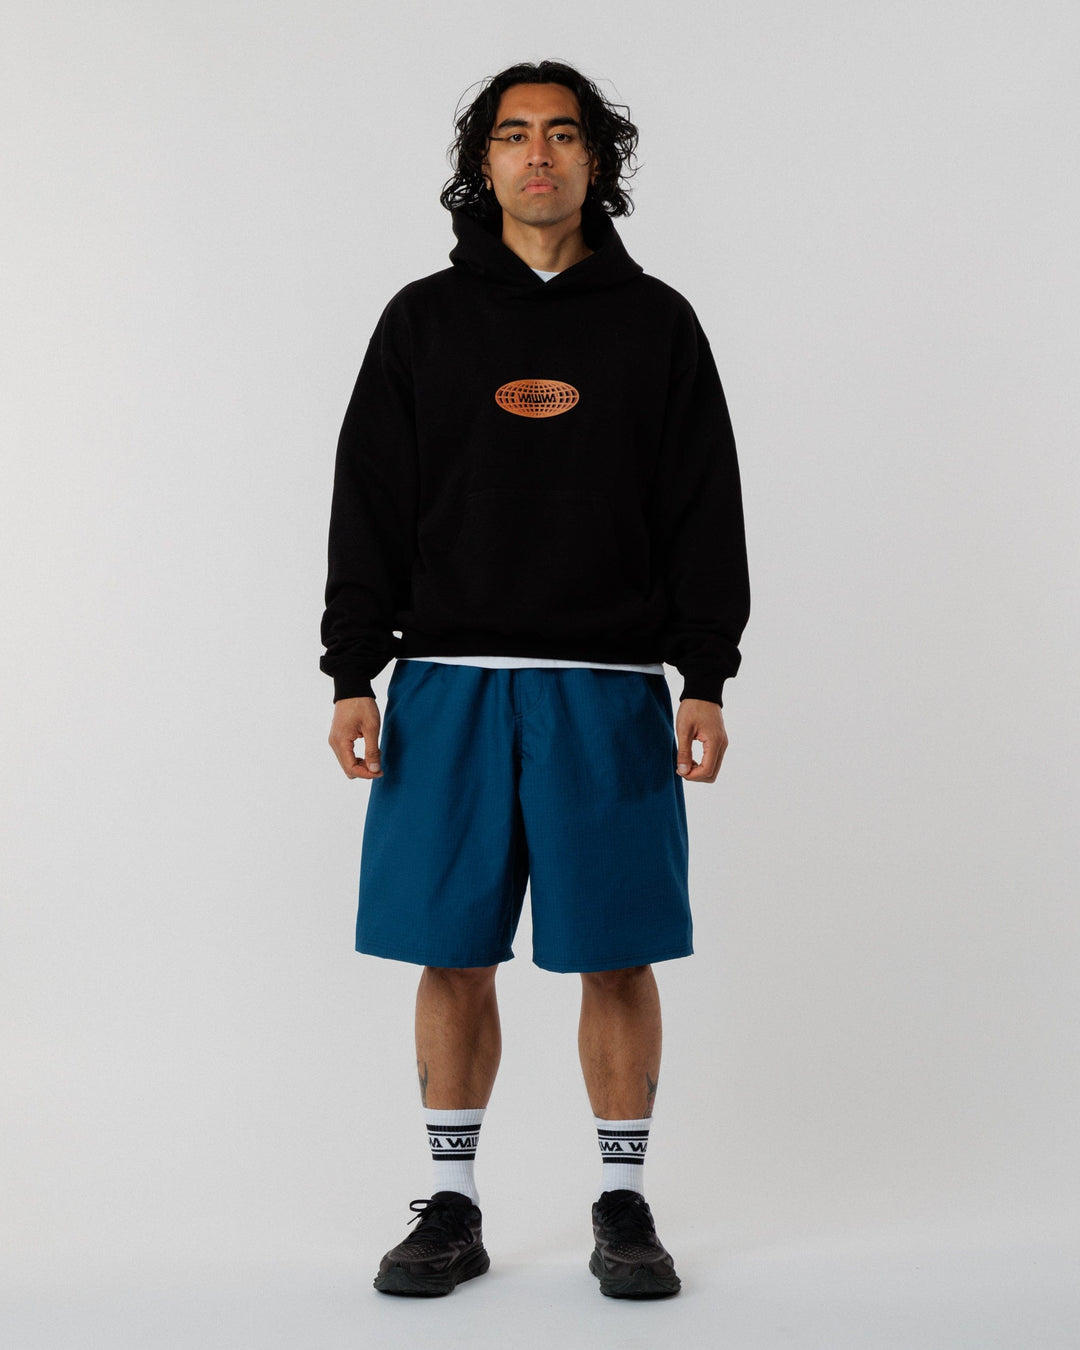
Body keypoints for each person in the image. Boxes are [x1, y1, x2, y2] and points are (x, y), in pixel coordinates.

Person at [321, 59, 750, 1300]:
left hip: (606, 685)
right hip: (446, 683)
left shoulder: (655, 323)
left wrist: (706, 674)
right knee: (451, 951)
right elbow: (369, 499)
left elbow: (704, 506)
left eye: (563, 134)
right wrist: (352, 670)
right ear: (486, 162)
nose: (540, 155)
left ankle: (624, 1201)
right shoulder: (423, 320)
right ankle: (451, 1204)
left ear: (596, 159)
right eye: (514, 135)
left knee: (616, 953)